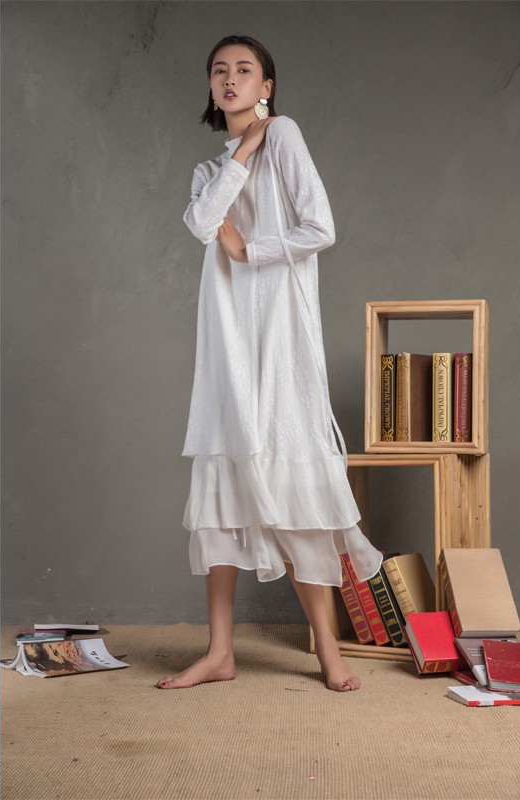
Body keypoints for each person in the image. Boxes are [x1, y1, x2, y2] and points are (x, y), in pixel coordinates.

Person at [157, 35, 383, 693]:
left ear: (267, 86)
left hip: (281, 337)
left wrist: (250, 251)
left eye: (244, 70)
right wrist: (240, 155)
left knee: (295, 480)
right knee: (223, 488)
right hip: (227, 339)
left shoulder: (284, 135)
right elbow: (203, 223)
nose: (230, 79)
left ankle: (328, 652)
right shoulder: (209, 170)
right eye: (219, 71)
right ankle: (219, 653)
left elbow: (320, 228)